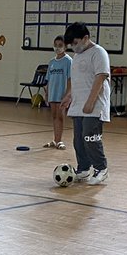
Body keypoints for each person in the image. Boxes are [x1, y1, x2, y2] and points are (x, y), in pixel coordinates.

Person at [61, 22, 111, 186]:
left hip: (94, 107)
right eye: (71, 45)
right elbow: (76, 80)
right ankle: (83, 169)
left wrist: (90, 102)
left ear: (86, 38)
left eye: (75, 43)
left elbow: (100, 77)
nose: (74, 47)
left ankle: (101, 168)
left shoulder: (98, 53)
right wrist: (69, 96)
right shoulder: (77, 57)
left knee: (90, 137)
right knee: (79, 140)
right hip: (78, 105)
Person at [43, 36, 71, 149]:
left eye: (60, 45)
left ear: (65, 47)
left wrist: (68, 94)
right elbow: (49, 79)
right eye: (56, 45)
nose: (57, 48)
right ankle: (55, 140)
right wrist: (47, 93)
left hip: (62, 94)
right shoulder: (52, 62)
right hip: (53, 93)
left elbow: (70, 79)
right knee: (54, 116)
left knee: (60, 116)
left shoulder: (68, 61)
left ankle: (59, 140)